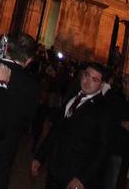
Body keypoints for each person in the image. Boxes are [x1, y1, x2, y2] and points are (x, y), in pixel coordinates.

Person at [32, 61, 111, 189]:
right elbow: (57, 130)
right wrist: (40, 156)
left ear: (101, 85)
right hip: (55, 169)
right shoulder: (73, 97)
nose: (87, 81)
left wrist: (83, 178)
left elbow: (103, 149)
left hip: (76, 176)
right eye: (86, 75)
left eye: (94, 79)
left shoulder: (103, 110)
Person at [0, 32, 40, 189]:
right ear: (29, 60)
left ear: (7, 48)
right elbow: (27, 121)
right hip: (6, 149)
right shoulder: (32, 87)